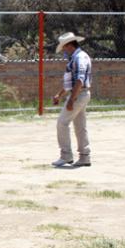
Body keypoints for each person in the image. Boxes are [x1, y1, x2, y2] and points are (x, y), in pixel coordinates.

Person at [52, 32, 92, 168]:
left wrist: (71, 100)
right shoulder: (79, 56)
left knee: (62, 123)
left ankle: (66, 155)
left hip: (79, 95)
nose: (63, 50)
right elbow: (71, 82)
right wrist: (60, 95)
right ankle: (84, 156)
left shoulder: (78, 58)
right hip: (82, 94)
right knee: (80, 126)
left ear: (69, 45)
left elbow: (79, 80)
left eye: (64, 47)